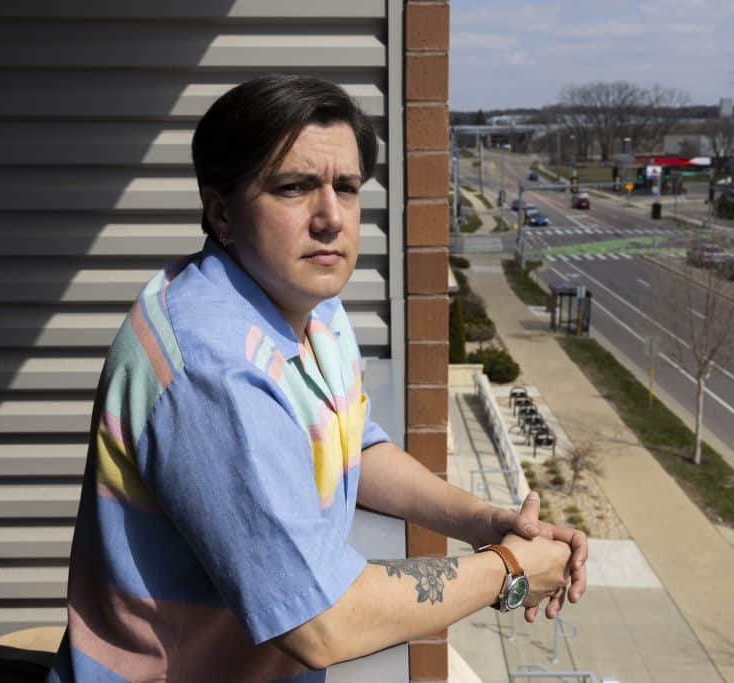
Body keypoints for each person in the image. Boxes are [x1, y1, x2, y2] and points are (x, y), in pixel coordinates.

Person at [48, 74, 587, 682]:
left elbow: (348, 440)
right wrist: (509, 571)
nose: (331, 217)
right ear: (221, 211)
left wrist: (483, 522)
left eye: (347, 187)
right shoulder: (211, 372)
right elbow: (323, 622)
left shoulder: (309, 306)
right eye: (294, 188)